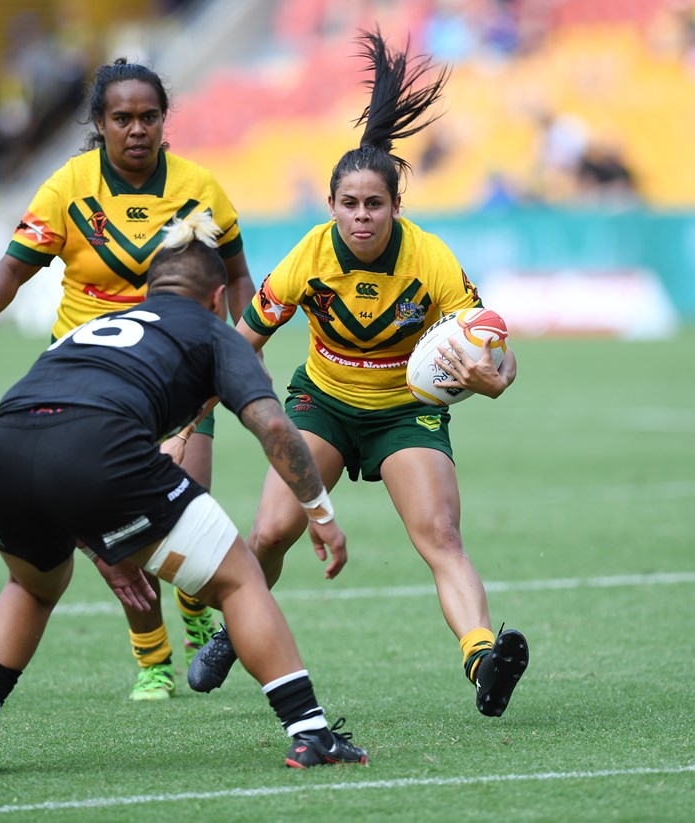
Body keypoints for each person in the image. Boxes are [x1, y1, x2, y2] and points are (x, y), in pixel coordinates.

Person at [0, 214, 368, 774]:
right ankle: (311, 732)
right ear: (217, 297)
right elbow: (275, 427)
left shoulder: (95, 326)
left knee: (32, 584)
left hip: (2, 453)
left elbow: (51, 435)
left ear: (149, 292)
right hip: (97, 451)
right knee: (241, 577)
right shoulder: (215, 331)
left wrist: (100, 544)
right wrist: (319, 512)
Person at [188, 29, 529, 718]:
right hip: (324, 406)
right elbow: (242, 340)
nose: (362, 216)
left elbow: (494, 344)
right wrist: (212, 407)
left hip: (406, 412)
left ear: (397, 207)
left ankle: (483, 657)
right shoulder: (306, 259)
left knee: (440, 532)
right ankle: (233, 630)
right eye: (350, 205)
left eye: (375, 204)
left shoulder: (431, 260)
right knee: (270, 533)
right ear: (332, 206)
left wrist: (497, 377)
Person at [0, 58, 258, 701]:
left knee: (182, 508)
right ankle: (152, 660)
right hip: (86, 386)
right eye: (121, 118)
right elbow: (13, 268)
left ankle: (192, 604)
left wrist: (239, 342)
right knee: (119, 533)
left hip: (178, 374)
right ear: (99, 123)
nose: (136, 129)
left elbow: (236, 273)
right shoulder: (67, 188)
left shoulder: (199, 187)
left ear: (163, 121)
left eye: (149, 117)